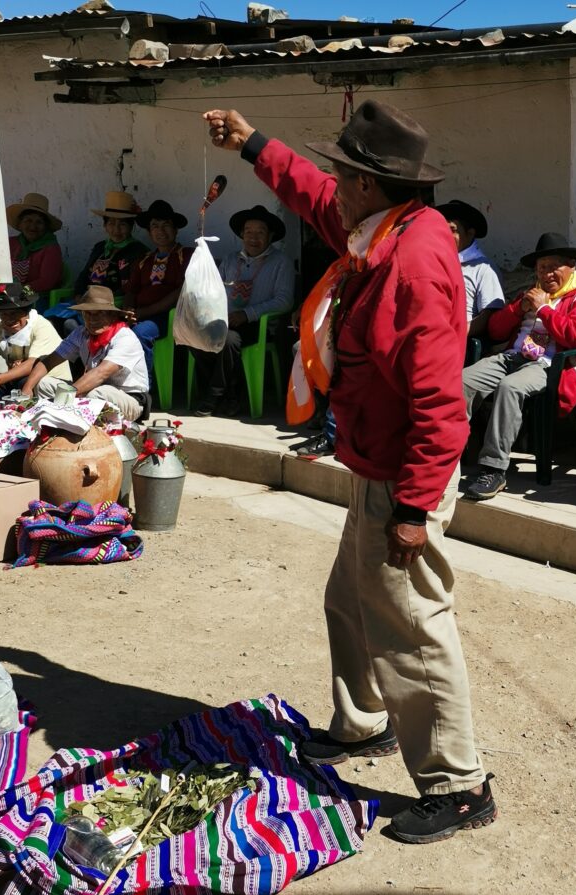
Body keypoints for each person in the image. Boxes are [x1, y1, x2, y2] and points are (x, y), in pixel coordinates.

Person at [205, 99, 497, 844]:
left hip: (405, 475)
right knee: (348, 599)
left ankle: (458, 783)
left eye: (343, 172)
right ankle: (364, 721)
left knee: (412, 626)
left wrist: (413, 506)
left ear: (369, 184)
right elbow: (305, 191)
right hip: (378, 463)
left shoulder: (414, 263)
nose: (332, 181)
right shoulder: (380, 231)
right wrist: (254, 143)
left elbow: (441, 402)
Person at [462, 232, 576, 501]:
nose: (546, 274)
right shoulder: (533, 292)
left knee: (509, 388)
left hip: (547, 365)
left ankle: (493, 469)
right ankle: (447, 451)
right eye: (541, 268)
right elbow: (496, 330)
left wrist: (545, 311)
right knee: (463, 380)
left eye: (553, 267)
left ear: (570, 265)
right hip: (513, 356)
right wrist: (518, 309)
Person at [192, 204, 294, 417]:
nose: (253, 237)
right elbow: (214, 290)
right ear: (241, 234)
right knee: (193, 336)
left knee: (228, 340)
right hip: (226, 320)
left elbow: (284, 301)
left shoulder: (281, 262)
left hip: (259, 325)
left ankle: (215, 396)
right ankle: (227, 394)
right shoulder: (230, 260)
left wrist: (247, 314)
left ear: (271, 235)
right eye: (248, 232)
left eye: (260, 232)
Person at [22, 285, 149, 421]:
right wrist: (27, 389)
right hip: (91, 391)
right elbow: (49, 361)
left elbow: (101, 373)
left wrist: (61, 398)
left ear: (112, 315)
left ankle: (68, 420)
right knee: (43, 384)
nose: (92, 319)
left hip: (128, 399)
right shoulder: (81, 333)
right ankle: (56, 421)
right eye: (87, 313)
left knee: (96, 394)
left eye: (99, 313)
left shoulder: (125, 337)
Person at [50, 191, 148, 335]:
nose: (116, 229)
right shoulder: (100, 247)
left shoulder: (138, 251)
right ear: (105, 225)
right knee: (52, 320)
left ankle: (82, 353)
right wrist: (79, 295)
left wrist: (97, 303)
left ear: (131, 226)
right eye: (111, 223)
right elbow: (84, 275)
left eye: (122, 224)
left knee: (70, 325)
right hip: (86, 302)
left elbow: (130, 287)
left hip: (111, 305)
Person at [124, 199, 193, 378]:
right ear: (149, 232)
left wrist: (143, 313)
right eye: (155, 226)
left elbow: (181, 293)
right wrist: (128, 311)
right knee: (110, 332)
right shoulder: (144, 260)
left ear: (176, 229)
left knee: (140, 333)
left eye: (166, 225)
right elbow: (131, 290)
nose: (160, 231)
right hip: (141, 314)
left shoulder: (186, 256)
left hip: (169, 317)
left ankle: (142, 388)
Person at [436, 199, 505, 338]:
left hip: (457, 341)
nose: (446, 236)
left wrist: (454, 335)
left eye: (453, 230)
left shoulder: (484, 269)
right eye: (443, 230)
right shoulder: (436, 263)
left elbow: (489, 316)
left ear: (470, 233)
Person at [6, 192, 64, 296]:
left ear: (46, 227)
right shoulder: (11, 243)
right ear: (20, 224)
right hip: (9, 294)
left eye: (39, 222)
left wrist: (16, 291)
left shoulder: (51, 248)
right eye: (28, 220)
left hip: (37, 297)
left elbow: (46, 282)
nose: (33, 226)